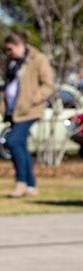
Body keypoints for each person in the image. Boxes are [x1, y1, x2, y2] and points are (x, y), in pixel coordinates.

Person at [3, 32, 55, 197]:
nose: (8, 53)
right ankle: (31, 186)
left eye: (10, 49)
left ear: (19, 45)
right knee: (21, 146)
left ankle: (21, 182)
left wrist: (33, 99)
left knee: (12, 141)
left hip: (29, 110)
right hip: (13, 111)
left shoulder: (37, 59)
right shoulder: (10, 62)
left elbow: (48, 85)